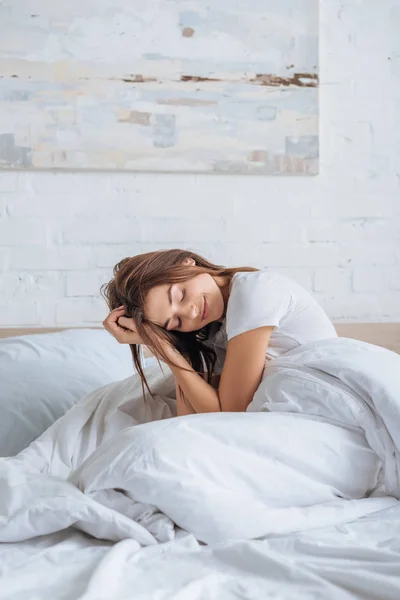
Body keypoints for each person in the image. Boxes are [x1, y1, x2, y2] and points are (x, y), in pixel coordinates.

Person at [102, 249, 337, 416]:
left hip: (323, 398)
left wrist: (163, 351)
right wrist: (165, 345)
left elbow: (230, 412)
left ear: (187, 263)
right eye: (175, 321)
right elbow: (192, 416)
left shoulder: (252, 292)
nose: (191, 313)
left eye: (180, 295)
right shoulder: (214, 329)